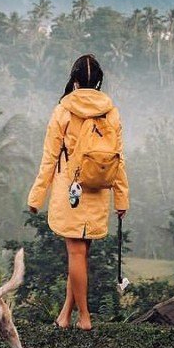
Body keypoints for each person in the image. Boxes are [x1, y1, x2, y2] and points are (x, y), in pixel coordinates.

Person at [27, 53, 129, 330]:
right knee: (82, 255)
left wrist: (36, 196)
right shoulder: (111, 111)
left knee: (75, 255)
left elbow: (49, 158)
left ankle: (84, 318)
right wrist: (121, 198)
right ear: (98, 83)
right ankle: (65, 316)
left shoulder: (63, 110)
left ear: (74, 81)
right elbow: (118, 158)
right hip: (98, 190)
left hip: (70, 191)